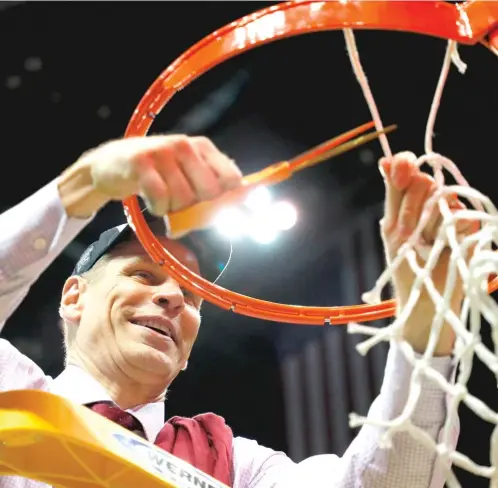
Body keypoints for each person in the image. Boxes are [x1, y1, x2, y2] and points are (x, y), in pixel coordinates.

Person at [0, 134, 467, 488]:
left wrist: (427, 327)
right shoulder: (11, 393)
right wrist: (84, 185)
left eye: (194, 294)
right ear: (74, 297)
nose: (175, 298)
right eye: (143, 274)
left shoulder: (237, 465)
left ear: (187, 352)